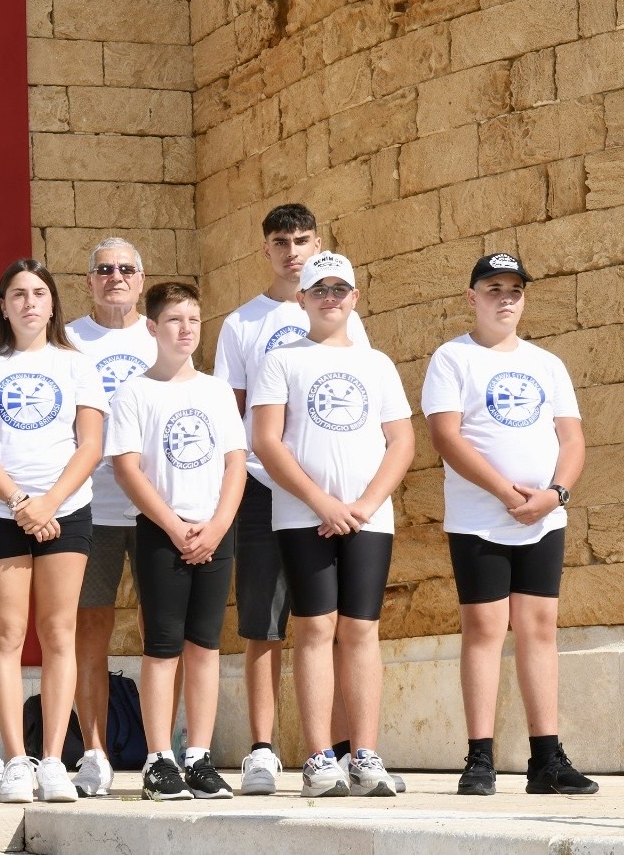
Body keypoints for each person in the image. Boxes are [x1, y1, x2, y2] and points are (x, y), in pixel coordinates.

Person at [212, 203, 374, 795]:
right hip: (263, 485)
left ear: (318, 245)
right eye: (281, 242)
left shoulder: (345, 316)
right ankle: (262, 749)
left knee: (335, 621)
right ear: (266, 250)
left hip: (336, 496)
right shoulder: (242, 323)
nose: (292, 251)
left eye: (302, 240)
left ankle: (339, 750)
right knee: (264, 620)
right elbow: (229, 413)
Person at [422, 253, 595, 796]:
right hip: (480, 518)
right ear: (472, 296)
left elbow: (572, 438)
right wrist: (503, 491)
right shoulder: (452, 358)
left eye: (514, 290)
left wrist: (555, 494)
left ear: (524, 299)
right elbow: (446, 436)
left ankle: (547, 758)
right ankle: (480, 758)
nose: (504, 298)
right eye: (493, 288)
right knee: (485, 629)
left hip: (544, 517)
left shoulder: (548, 364)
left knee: (540, 628)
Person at [250, 251, 413, 798]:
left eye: (339, 289)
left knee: (362, 630)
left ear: (355, 298)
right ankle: (319, 758)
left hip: (370, 517)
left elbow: (401, 440)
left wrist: (364, 504)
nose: (330, 298)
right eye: (319, 290)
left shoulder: (378, 363)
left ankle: (364, 755)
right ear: (301, 298)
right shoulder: (282, 361)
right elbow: (266, 440)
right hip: (304, 517)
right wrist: (322, 502)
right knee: (316, 628)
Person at [0, 259, 107, 805]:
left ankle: (54, 761)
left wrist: (49, 503)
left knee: (60, 632)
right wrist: (20, 502)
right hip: (0, 514)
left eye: (39, 293)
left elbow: (90, 445)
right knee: (7, 635)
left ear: (52, 303)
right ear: (2, 305)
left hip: (66, 510)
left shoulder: (76, 364)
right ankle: (16, 760)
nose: (29, 303)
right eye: (18, 294)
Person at [107, 282, 245, 801]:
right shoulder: (135, 393)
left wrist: (218, 525)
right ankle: (159, 759)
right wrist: (172, 525)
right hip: (163, 531)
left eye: (193, 319)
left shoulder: (215, 391)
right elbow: (128, 468)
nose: (186, 329)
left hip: (214, 531)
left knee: (205, 645)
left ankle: (199, 757)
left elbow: (235, 463)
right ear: (152, 327)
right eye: (173, 320)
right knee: (163, 646)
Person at [64, 237, 156, 797]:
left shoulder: (161, 334)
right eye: (104, 269)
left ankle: (162, 748)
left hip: (156, 508)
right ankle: (94, 752)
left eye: (125, 268)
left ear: (141, 279)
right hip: (89, 505)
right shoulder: (69, 339)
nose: (115, 277)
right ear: (89, 280)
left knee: (158, 630)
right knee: (90, 629)